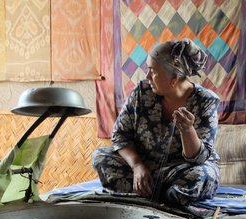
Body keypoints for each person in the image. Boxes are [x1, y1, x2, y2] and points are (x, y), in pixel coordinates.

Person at [92, 38, 220, 208]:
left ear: (173, 78)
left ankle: (146, 194)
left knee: (203, 176)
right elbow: (120, 136)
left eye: (153, 71)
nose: (147, 76)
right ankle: (162, 195)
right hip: (146, 166)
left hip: (181, 171)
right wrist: (137, 166)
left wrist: (187, 130)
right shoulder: (142, 92)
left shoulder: (205, 101)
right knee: (101, 157)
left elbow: (199, 158)